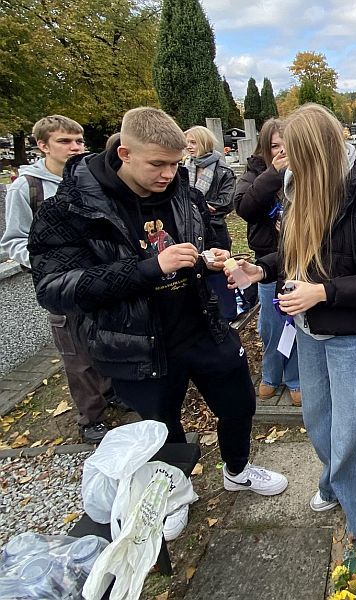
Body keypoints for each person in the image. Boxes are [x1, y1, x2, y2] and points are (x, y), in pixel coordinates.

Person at [28, 108, 288, 507]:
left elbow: (196, 242)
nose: (168, 174)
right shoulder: (71, 209)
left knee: (239, 403)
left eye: (175, 163)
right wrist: (149, 268)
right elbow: (54, 289)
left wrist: (208, 258)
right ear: (125, 153)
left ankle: (237, 470)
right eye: (157, 164)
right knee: (162, 429)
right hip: (133, 343)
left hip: (201, 325)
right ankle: (174, 494)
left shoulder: (182, 192)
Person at [230, 104, 356, 557]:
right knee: (318, 420)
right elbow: (297, 256)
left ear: (318, 155)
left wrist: (322, 292)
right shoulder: (301, 191)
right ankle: (335, 483)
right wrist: (261, 270)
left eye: (294, 156)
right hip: (310, 331)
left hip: (352, 339)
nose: (284, 166)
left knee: (354, 436)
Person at [1, 115, 117, 444]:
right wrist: (46, 264)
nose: (75, 147)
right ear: (43, 145)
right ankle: (91, 416)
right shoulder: (28, 187)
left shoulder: (91, 178)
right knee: (76, 353)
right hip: (63, 285)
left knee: (106, 337)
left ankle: (111, 391)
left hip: (99, 277)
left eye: (79, 141)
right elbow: (14, 240)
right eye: (65, 141)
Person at [233, 118, 300, 406]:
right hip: (266, 262)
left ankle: (295, 377)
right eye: (274, 146)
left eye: (286, 145)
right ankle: (271, 374)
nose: (281, 151)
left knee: (295, 322)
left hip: (296, 260)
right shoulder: (255, 172)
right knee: (271, 325)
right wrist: (273, 174)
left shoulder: (302, 170)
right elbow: (244, 207)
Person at [184, 125, 235, 250]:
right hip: (188, 229)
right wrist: (202, 205)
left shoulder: (223, 171)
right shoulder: (184, 167)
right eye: (187, 143)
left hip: (214, 228)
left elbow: (226, 203)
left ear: (204, 143)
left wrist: (195, 205)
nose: (188, 146)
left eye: (193, 142)